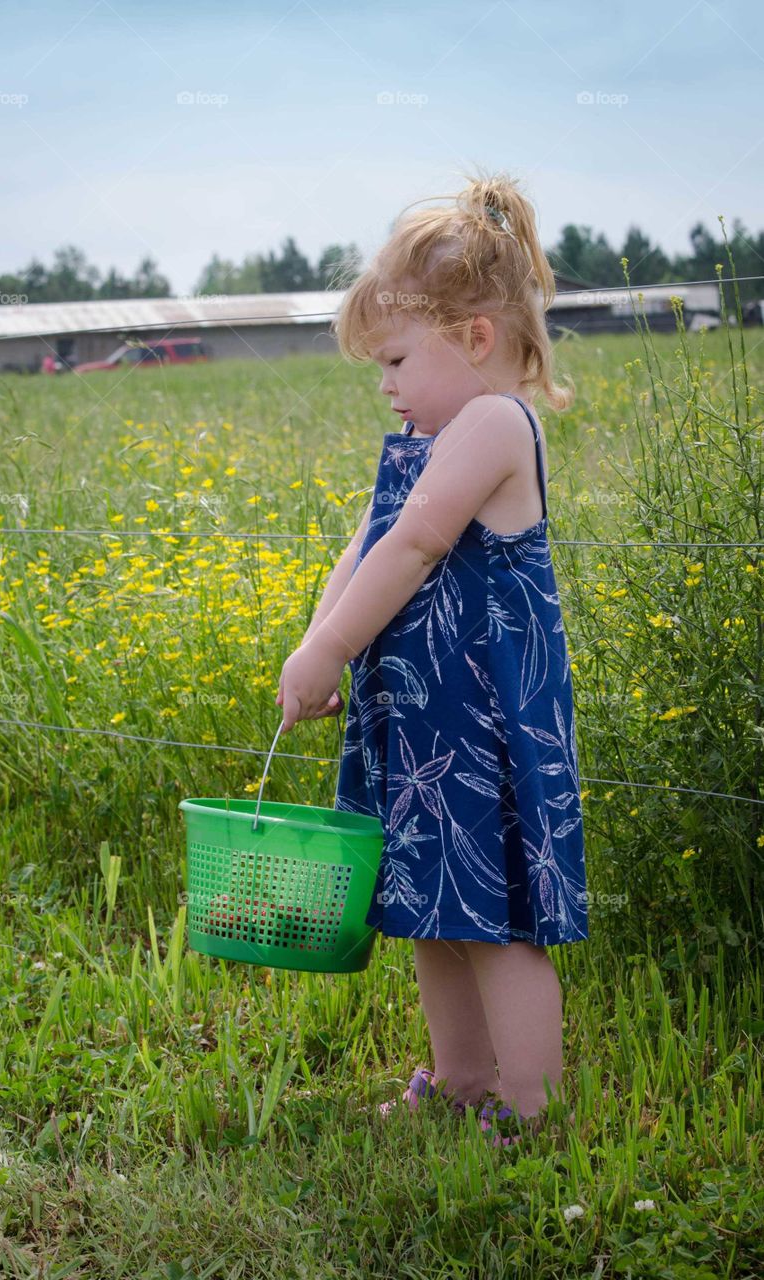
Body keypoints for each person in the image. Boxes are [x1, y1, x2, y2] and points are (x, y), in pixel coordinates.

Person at [275, 170, 588, 1142]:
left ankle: (531, 1107)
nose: (387, 384)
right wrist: (314, 638)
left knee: (500, 918)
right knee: (435, 905)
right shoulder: (428, 439)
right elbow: (368, 543)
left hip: (487, 722)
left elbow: (415, 543)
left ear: (477, 340)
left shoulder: (495, 425)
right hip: (422, 718)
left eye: (399, 359)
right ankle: (459, 1076)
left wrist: (334, 644)